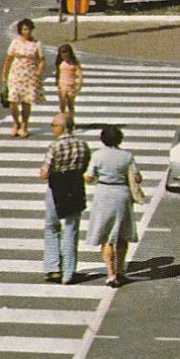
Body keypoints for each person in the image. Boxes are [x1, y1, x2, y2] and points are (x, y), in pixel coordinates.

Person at [86, 124, 143, 288]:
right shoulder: (127, 156)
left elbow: (89, 178)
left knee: (106, 236)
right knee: (122, 235)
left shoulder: (97, 156)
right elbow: (137, 178)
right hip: (122, 195)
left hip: (104, 194)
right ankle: (121, 270)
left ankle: (111, 274)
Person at [39, 113, 91, 285]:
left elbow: (45, 172)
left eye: (53, 125)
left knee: (52, 227)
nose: (52, 128)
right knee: (71, 229)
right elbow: (85, 167)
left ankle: (53, 268)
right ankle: (69, 272)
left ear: (62, 127)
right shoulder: (83, 145)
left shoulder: (54, 147)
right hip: (75, 187)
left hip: (57, 188)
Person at [1, 18, 46, 138]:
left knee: (26, 101)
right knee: (13, 100)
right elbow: (8, 59)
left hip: (30, 74)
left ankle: (25, 125)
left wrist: (38, 72)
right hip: (16, 74)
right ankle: (16, 123)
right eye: (25, 29)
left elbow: (42, 60)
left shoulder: (37, 44)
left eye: (29, 29)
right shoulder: (15, 43)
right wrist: (4, 75)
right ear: (20, 30)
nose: (28, 31)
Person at [55, 42, 83, 127]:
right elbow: (58, 73)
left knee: (70, 105)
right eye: (63, 56)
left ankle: (71, 121)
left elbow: (79, 74)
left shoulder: (74, 63)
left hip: (71, 86)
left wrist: (79, 84)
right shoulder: (60, 63)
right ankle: (62, 121)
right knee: (62, 104)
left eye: (67, 56)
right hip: (62, 85)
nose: (65, 58)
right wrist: (57, 82)